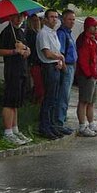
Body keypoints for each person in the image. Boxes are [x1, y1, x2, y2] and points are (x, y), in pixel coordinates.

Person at [0, 13, 33, 145]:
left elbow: (25, 48)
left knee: (16, 102)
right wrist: (14, 51)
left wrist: (26, 50)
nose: (19, 19)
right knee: (10, 102)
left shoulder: (19, 32)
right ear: (11, 17)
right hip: (12, 71)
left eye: (21, 16)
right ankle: (8, 132)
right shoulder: (7, 32)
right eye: (16, 16)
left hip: (21, 70)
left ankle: (15, 129)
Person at [36, 9, 66, 139]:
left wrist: (59, 59)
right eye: (51, 17)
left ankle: (52, 126)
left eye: (56, 17)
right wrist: (60, 57)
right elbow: (47, 53)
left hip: (55, 66)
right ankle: (44, 127)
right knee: (49, 99)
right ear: (46, 19)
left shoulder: (53, 33)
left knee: (54, 99)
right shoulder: (43, 34)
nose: (54, 19)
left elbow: (55, 52)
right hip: (48, 67)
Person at [76, 16, 97, 137]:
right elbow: (83, 59)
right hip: (87, 75)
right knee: (84, 101)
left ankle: (91, 123)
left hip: (94, 74)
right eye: (94, 26)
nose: (96, 28)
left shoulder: (93, 39)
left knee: (91, 101)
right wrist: (88, 74)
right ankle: (82, 125)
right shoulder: (84, 40)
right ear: (88, 26)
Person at [55, 9, 77, 133]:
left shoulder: (69, 33)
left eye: (73, 19)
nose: (72, 22)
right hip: (66, 66)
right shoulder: (62, 34)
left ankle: (62, 120)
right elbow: (61, 53)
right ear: (63, 20)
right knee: (63, 95)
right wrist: (64, 68)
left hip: (71, 66)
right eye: (70, 19)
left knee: (67, 96)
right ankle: (59, 123)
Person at [25, 13, 44, 104]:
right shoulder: (31, 34)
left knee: (39, 87)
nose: (37, 22)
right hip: (34, 63)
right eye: (35, 21)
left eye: (38, 20)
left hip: (37, 63)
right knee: (38, 87)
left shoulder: (37, 33)